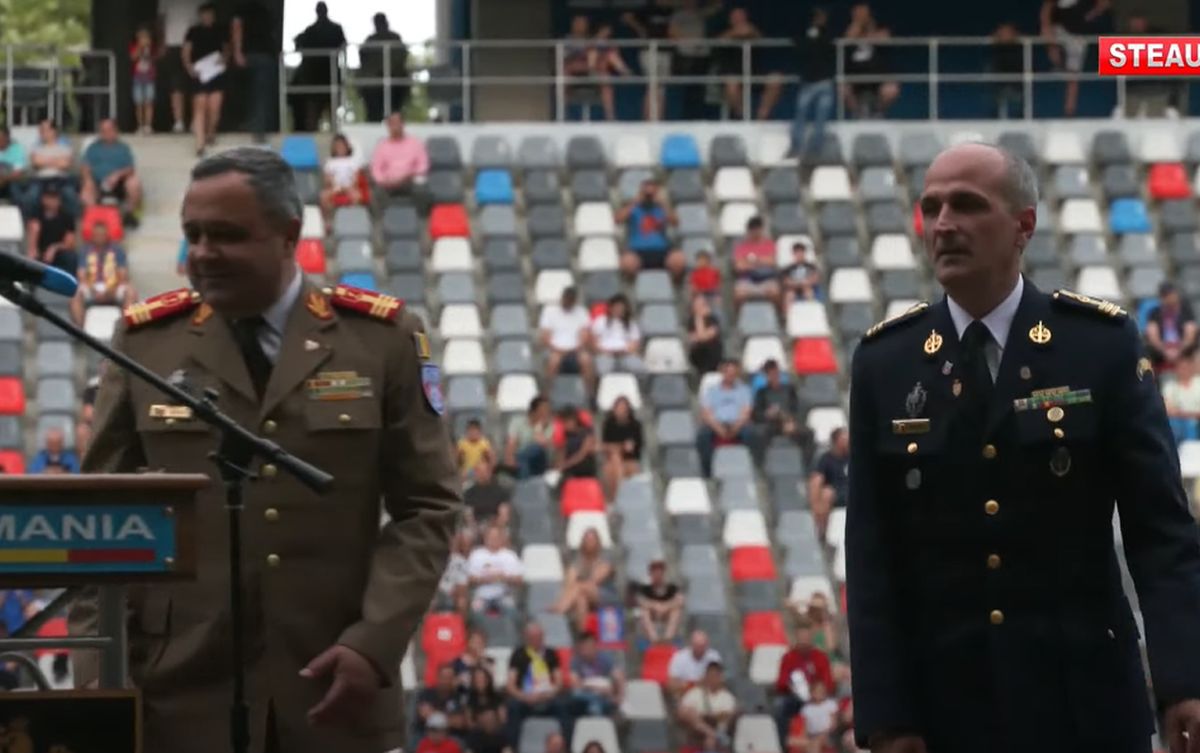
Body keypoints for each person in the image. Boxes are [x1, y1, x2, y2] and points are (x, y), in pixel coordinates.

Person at [68, 147, 462, 753]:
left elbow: (428, 507)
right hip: (175, 694)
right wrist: (98, 672)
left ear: (289, 236)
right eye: (193, 235)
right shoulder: (146, 341)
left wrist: (373, 642)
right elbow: (101, 519)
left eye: (226, 236)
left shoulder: (381, 340)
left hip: (333, 685)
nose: (202, 253)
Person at [847, 141, 1200, 753]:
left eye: (967, 205)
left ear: (1023, 225)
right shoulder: (887, 364)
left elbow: (1160, 532)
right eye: (931, 208)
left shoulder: (1099, 346)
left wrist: (1184, 681)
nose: (944, 225)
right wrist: (887, 719)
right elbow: (873, 557)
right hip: (944, 710)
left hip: (1084, 704)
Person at [1040, 0, 1110, 117]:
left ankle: (1070, 111)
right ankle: (1058, 63)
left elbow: (1105, 3)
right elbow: (1046, 9)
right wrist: (1046, 25)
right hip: (1060, 30)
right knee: (1046, 32)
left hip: (1078, 36)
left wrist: (1093, 13)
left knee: (1073, 75)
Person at [772, 620, 835, 748]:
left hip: (818, 696)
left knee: (831, 706)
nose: (804, 641)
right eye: (801, 638)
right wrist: (790, 686)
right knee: (779, 705)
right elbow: (780, 683)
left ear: (811, 638)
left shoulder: (820, 657)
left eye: (806, 637)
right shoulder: (788, 658)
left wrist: (816, 692)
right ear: (796, 638)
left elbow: (828, 682)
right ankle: (783, 745)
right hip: (796, 699)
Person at [714, 7, 783, 121]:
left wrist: (750, 32)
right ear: (730, 20)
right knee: (732, 83)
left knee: (776, 78)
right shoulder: (724, 30)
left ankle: (762, 117)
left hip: (753, 72)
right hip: (732, 73)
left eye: (741, 17)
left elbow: (760, 39)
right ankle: (742, 116)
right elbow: (717, 42)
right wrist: (734, 33)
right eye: (736, 17)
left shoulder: (752, 29)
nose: (739, 20)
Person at [505, 622, 567, 745]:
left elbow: (559, 682)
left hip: (547, 697)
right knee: (512, 707)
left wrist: (548, 694)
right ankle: (513, 747)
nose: (536, 640)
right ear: (526, 638)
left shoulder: (550, 653)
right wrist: (524, 697)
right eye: (532, 637)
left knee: (564, 707)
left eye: (538, 637)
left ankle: (567, 745)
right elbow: (510, 686)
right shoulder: (518, 654)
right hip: (526, 698)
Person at [291, 1, 347, 132]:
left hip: (315, 78)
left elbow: (298, 44)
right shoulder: (334, 29)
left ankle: (327, 133)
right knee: (324, 112)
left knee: (316, 113)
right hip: (325, 77)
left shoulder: (311, 31)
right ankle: (334, 133)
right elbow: (343, 47)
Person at [614, 178, 685, 282]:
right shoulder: (633, 208)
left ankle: (673, 288)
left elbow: (675, 222)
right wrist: (634, 201)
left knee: (678, 259)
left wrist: (663, 203)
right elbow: (618, 219)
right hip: (637, 251)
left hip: (661, 250)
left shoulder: (661, 208)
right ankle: (635, 289)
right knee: (627, 262)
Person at [182, 3, 228, 157]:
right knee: (200, 107)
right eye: (204, 14)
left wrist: (225, 59)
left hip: (216, 72)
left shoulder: (220, 30)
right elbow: (186, 50)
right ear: (200, 16)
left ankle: (211, 132)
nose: (207, 17)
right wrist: (189, 67)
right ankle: (199, 143)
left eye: (210, 14)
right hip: (200, 72)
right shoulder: (193, 31)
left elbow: (227, 49)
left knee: (214, 107)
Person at [789, 7, 836, 159]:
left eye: (822, 17)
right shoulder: (804, 32)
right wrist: (812, 35)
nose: (820, 19)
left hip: (825, 81)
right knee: (800, 113)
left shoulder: (829, 32)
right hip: (808, 81)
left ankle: (815, 150)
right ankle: (797, 148)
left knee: (821, 117)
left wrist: (817, 35)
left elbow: (829, 47)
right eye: (817, 17)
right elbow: (798, 45)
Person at [70, 221, 136, 326]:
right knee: (75, 294)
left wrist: (111, 291)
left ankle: (124, 328)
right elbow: (81, 275)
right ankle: (81, 329)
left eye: (102, 235)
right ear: (92, 236)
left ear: (107, 235)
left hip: (113, 285)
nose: (99, 237)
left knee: (130, 292)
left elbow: (123, 275)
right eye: (96, 235)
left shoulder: (117, 250)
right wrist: (93, 291)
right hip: (91, 286)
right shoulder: (85, 250)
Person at [231, 0, 279, 142]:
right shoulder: (264, 9)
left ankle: (258, 128)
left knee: (257, 93)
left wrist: (237, 52)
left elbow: (236, 28)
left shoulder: (245, 9)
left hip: (255, 55)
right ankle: (258, 127)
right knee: (260, 93)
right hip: (262, 55)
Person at [751, 359, 814, 465]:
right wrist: (767, 414)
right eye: (770, 374)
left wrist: (792, 422)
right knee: (759, 434)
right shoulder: (762, 392)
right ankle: (762, 465)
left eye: (775, 373)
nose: (774, 376)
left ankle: (806, 465)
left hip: (789, 422)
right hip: (772, 424)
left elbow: (797, 408)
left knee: (809, 433)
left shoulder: (789, 389)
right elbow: (756, 414)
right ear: (766, 375)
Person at [696, 359, 753, 477]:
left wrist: (735, 428)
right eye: (728, 372)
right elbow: (706, 413)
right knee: (703, 435)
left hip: (737, 424)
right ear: (722, 372)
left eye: (733, 373)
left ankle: (749, 470)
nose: (730, 376)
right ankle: (708, 472)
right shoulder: (712, 391)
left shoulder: (744, 391)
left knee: (750, 434)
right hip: (716, 424)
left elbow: (746, 413)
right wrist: (719, 429)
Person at [841, 4, 898, 119]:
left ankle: (878, 111)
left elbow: (884, 37)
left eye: (863, 14)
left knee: (891, 89)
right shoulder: (849, 27)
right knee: (842, 89)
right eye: (857, 14)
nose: (860, 16)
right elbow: (848, 39)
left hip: (878, 76)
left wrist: (866, 33)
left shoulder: (879, 25)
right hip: (854, 77)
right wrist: (857, 24)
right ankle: (858, 113)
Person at [80, 118, 142, 224]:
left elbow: (130, 169)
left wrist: (117, 175)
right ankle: (96, 220)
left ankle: (128, 215)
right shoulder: (93, 147)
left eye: (109, 129)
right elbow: (85, 167)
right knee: (86, 192)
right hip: (97, 183)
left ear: (115, 130)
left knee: (134, 183)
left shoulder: (123, 148)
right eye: (103, 130)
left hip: (118, 183)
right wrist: (88, 180)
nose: (106, 133)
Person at [551, 527, 616, 629]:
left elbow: (594, 580)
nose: (589, 542)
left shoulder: (605, 556)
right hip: (586, 594)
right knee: (581, 599)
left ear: (597, 541)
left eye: (592, 540)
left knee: (580, 587)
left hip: (607, 594)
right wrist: (572, 589)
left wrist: (575, 586)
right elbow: (569, 580)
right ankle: (582, 633)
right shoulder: (579, 557)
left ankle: (561, 608)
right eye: (587, 539)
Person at [620, 0, 674, 119]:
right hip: (649, 51)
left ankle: (658, 120)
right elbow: (626, 17)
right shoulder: (647, 9)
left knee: (662, 88)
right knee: (652, 85)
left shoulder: (670, 10)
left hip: (665, 52)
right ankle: (647, 120)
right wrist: (641, 29)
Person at [538, 286, 594, 390]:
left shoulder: (582, 312)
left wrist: (575, 348)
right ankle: (547, 394)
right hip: (555, 349)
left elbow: (585, 336)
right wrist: (558, 349)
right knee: (553, 362)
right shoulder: (549, 311)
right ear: (562, 298)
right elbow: (545, 337)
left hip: (576, 349)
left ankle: (589, 395)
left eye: (571, 300)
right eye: (566, 299)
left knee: (586, 360)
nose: (568, 302)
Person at [370, 112, 430, 206]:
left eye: (397, 123)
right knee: (376, 193)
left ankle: (421, 220)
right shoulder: (382, 146)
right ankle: (382, 220)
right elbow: (376, 169)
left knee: (421, 190)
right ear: (388, 126)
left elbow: (423, 165)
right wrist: (384, 181)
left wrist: (410, 174)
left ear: (403, 124)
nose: (395, 127)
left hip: (409, 181)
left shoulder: (415, 143)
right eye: (391, 124)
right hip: (388, 183)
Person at [677, 661, 738, 752]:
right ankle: (710, 733)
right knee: (686, 711)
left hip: (718, 729)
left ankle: (711, 734)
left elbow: (726, 715)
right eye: (710, 675)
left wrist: (710, 716)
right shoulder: (695, 693)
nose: (712, 679)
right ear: (706, 676)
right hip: (696, 730)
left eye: (716, 676)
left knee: (710, 740)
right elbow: (683, 712)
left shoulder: (727, 697)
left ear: (720, 677)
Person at [359, 13, 409, 123]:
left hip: (394, 82)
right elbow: (363, 59)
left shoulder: (395, 39)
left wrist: (388, 71)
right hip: (374, 85)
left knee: (394, 111)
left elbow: (401, 57)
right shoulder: (370, 41)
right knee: (374, 114)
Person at [467, 525, 523, 618]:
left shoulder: (510, 555)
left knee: (512, 611)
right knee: (475, 613)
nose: (493, 540)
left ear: (502, 538)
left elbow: (519, 580)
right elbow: (469, 579)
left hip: (504, 596)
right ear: (485, 538)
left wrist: (504, 578)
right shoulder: (476, 554)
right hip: (482, 597)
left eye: (496, 537)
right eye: (491, 537)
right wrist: (485, 580)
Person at [1145, 282, 1198, 373]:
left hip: (1183, 348)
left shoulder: (1186, 311)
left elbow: (1190, 334)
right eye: (1164, 296)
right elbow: (1153, 336)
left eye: (1170, 294)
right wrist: (1164, 351)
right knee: (1147, 351)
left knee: (1197, 351)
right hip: (1162, 350)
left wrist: (1179, 350)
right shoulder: (1155, 313)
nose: (1168, 298)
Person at [25, 186, 78, 276]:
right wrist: (33, 252)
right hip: (40, 253)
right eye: (49, 198)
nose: (52, 201)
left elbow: (69, 243)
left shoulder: (67, 217)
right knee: (31, 260)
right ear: (43, 199)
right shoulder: (36, 215)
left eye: (55, 198)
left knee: (71, 257)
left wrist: (54, 248)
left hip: (59, 252)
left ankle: (69, 283)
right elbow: (32, 245)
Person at [569, 631, 624, 717]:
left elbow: (619, 677)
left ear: (595, 647)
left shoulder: (605, 658)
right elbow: (575, 683)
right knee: (577, 694)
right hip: (588, 694)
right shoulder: (576, 660)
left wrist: (619, 697)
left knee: (594, 707)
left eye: (588, 647)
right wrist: (597, 690)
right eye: (583, 648)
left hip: (604, 697)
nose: (585, 651)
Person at [808, 427, 848, 541]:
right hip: (836, 491)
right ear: (836, 441)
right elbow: (817, 478)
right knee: (826, 493)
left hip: (853, 491)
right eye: (844, 438)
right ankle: (822, 530)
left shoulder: (854, 457)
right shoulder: (826, 458)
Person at [732, 216, 781, 310]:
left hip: (766, 279)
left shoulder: (769, 244)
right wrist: (761, 262)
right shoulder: (742, 247)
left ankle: (778, 317)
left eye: (757, 229)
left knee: (775, 293)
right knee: (739, 295)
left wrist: (752, 261)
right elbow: (739, 267)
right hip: (747, 279)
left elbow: (772, 262)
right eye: (752, 229)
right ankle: (739, 318)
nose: (755, 232)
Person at [414, 665, 471, 743]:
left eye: (449, 677)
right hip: (426, 735)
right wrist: (450, 718)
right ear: (438, 677)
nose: (446, 681)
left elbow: (460, 722)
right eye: (443, 677)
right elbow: (425, 714)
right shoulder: (426, 693)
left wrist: (434, 714)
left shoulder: (458, 696)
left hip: (452, 737)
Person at [590, 294, 644, 375]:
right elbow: (594, 342)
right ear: (611, 308)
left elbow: (635, 344)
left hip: (626, 355)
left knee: (640, 369)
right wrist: (605, 351)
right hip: (605, 354)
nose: (619, 309)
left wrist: (624, 351)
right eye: (616, 307)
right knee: (603, 370)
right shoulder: (600, 321)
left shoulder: (631, 324)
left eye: (621, 307)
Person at [601, 396, 643, 499]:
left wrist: (621, 448)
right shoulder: (608, 424)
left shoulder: (635, 425)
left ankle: (619, 498)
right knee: (612, 464)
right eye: (619, 407)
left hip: (630, 460)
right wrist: (621, 447)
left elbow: (637, 447)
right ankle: (615, 499)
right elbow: (606, 445)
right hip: (612, 459)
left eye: (623, 408)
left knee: (623, 466)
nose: (621, 410)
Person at [319, 133, 367, 224]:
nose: (340, 148)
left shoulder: (353, 161)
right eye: (337, 146)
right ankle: (328, 221)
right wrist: (333, 184)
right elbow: (326, 179)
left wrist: (349, 186)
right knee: (323, 196)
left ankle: (351, 219)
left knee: (357, 196)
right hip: (335, 187)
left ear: (347, 147)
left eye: (342, 145)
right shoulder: (330, 162)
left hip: (349, 187)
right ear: (333, 148)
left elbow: (356, 177)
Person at [505, 396, 554, 480]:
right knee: (522, 460)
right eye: (543, 409)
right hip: (521, 458)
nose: (546, 412)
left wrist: (539, 426)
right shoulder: (517, 421)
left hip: (540, 459)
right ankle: (525, 484)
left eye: (547, 409)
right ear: (534, 411)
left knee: (535, 447)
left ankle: (524, 485)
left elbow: (541, 443)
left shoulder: (549, 425)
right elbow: (512, 442)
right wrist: (510, 458)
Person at [635, 559, 683, 643]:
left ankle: (668, 639)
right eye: (654, 572)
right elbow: (641, 601)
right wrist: (655, 606)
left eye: (660, 572)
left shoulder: (672, 588)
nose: (657, 574)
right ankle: (654, 639)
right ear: (650, 574)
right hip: (652, 615)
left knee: (676, 611)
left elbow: (680, 601)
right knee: (644, 612)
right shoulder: (645, 589)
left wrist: (665, 606)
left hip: (666, 615)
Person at [667, 629, 721, 699]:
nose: (700, 649)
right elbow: (672, 683)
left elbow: (719, 680)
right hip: (686, 694)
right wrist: (691, 685)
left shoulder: (714, 656)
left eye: (703, 646)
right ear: (691, 644)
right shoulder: (679, 657)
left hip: (710, 694)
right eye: (698, 646)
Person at [463, 461, 512, 533]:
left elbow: (504, 515)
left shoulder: (501, 491)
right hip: (477, 525)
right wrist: (475, 528)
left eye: (485, 471)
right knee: (464, 536)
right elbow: (468, 514)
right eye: (479, 471)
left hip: (496, 524)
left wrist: (495, 527)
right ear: (475, 473)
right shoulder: (469, 492)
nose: (482, 474)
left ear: (490, 472)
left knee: (496, 534)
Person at [989, 23, 1024, 119]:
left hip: (1017, 84)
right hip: (1000, 84)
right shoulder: (997, 50)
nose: (1006, 35)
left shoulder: (1020, 49)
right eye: (1003, 32)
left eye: (1008, 32)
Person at [129, 25, 160, 134]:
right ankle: (140, 125)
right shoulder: (134, 46)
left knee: (149, 102)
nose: (144, 39)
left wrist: (148, 50)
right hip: (137, 77)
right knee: (139, 102)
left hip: (149, 78)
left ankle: (148, 125)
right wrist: (140, 47)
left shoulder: (152, 48)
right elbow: (132, 57)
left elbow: (155, 59)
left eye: (146, 37)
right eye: (141, 37)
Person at [434, 530, 472, 615]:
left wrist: (451, 592)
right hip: (436, 593)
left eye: (456, 542)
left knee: (461, 602)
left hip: (450, 593)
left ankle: (458, 627)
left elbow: (462, 587)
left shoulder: (461, 562)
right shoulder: (435, 559)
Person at [1164, 354, 1200, 444]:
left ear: (1191, 368)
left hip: (1197, 420)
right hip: (1179, 422)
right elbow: (1168, 411)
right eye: (1181, 367)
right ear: (1176, 369)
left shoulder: (1198, 383)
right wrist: (1188, 415)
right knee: (1175, 424)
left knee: (1191, 424)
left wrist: (1183, 413)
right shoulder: (1169, 387)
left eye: (1186, 367)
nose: (1184, 370)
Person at [556, 406, 598, 483]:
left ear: (575, 420)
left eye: (568, 421)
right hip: (569, 466)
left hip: (584, 464)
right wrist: (559, 465)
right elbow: (562, 452)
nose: (566, 425)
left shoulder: (587, 432)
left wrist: (565, 465)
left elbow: (582, 454)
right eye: (564, 422)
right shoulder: (566, 435)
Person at [687, 292, 724, 374]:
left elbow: (702, 337)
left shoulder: (713, 320)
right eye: (698, 305)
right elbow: (700, 338)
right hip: (698, 356)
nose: (701, 307)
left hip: (713, 355)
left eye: (703, 304)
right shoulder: (690, 322)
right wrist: (699, 318)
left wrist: (701, 336)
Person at [781, 240, 822, 309]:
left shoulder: (811, 266)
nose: (799, 254)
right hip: (793, 288)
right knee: (789, 295)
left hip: (808, 287)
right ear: (793, 254)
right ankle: (788, 316)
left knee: (808, 292)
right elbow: (786, 281)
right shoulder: (788, 268)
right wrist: (797, 283)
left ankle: (812, 311)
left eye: (801, 252)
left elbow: (816, 278)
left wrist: (807, 282)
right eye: (797, 252)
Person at [0, 127, 32, 210]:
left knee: (15, 189)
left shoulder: (17, 149)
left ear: (7, 137)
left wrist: (3, 179)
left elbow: (17, 173)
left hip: (13, 181)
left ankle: (21, 216)